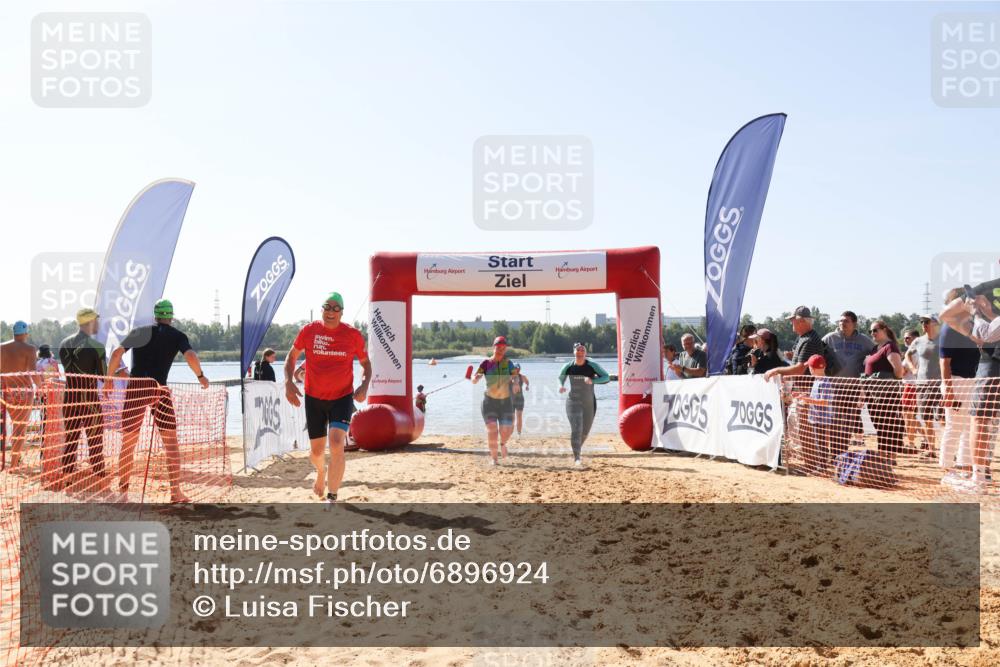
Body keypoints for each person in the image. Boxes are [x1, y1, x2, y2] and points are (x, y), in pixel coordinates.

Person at [108, 299, 210, 503]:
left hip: (137, 388)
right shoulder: (178, 335)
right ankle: (175, 493)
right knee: (171, 443)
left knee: (128, 443)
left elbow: (117, 353)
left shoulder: (139, 331)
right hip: (159, 389)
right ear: (170, 316)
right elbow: (190, 355)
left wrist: (109, 380)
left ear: (155, 315)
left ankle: (123, 494)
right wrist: (200, 376)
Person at [285, 292, 370, 503]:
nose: (331, 312)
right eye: (327, 307)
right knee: (315, 453)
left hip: (342, 397)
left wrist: (364, 385)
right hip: (314, 398)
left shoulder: (353, 335)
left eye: (336, 308)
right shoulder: (309, 330)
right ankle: (321, 473)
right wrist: (288, 381)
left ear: (341, 312)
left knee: (336, 442)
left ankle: (332, 496)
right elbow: (291, 356)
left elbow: (366, 364)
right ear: (321, 309)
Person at [57, 308, 109, 487]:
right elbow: (104, 376)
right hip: (89, 402)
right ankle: (100, 481)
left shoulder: (63, 343)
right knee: (95, 441)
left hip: (69, 398)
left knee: (70, 440)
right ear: (90, 322)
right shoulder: (97, 346)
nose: (99, 324)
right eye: (97, 320)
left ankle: (67, 480)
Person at [938, 288, 979, 485]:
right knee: (955, 427)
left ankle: (965, 467)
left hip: (972, 381)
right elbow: (944, 361)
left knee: (969, 427)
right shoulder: (949, 327)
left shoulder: (971, 325)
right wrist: (949, 390)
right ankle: (947, 469)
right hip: (956, 380)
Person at [822, 311, 875, 457]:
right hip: (834, 387)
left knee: (849, 422)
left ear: (854, 323)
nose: (842, 324)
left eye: (846, 321)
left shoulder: (864, 340)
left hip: (853, 388)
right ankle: (834, 453)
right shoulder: (829, 338)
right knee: (835, 421)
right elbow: (817, 354)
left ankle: (842, 453)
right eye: (840, 321)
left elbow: (877, 354)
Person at [558, 342, 611, 466]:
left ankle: (576, 449)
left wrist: (593, 380)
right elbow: (560, 378)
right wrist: (560, 386)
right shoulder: (568, 366)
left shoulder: (592, 365)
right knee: (577, 429)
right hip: (573, 402)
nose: (580, 352)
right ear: (574, 352)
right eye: (578, 350)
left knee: (585, 432)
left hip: (589, 403)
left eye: (583, 350)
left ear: (585, 353)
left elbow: (606, 377)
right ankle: (577, 458)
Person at [471, 336, 520, 465]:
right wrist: (474, 378)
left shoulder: (508, 363)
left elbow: (515, 376)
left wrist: (516, 383)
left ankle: (503, 444)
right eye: (498, 348)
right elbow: (477, 376)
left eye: (503, 348)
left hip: (505, 403)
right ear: (494, 347)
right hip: (489, 403)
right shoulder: (486, 364)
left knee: (506, 431)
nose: (501, 350)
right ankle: (494, 459)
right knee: (492, 430)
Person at [863, 320, 905, 460]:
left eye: (875, 330)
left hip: (886, 394)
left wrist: (881, 378)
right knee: (879, 425)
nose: (872, 333)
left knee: (888, 425)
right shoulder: (875, 348)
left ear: (884, 329)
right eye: (870, 331)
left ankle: (889, 458)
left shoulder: (889, 347)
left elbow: (899, 371)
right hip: (873, 394)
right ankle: (882, 456)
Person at [1, 321, 38, 470]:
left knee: (4, 425)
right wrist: (41, 386)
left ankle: (13, 460)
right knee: (19, 428)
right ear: (26, 334)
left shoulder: (1, 348)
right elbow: (33, 372)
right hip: (23, 392)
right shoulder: (29, 349)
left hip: (4, 390)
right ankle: (14, 464)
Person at [906, 315, 944, 457]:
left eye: (926, 322)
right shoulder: (918, 341)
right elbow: (907, 355)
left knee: (942, 419)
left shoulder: (943, 339)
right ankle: (931, 449)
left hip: (940, 384)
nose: (923, 324)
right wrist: (913, 368)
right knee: (926, 418)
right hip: (922, 384)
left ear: (935, 324)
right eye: (922, 322)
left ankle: (947, 449)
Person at [793, 355, 834, 473]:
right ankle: (820, 465)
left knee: (821, 443)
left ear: (813, 368)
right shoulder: (817, 380)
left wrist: (807, 400)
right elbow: (816, 397)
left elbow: (824, 402)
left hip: (822, 418)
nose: (809, 370)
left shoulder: (824, 382)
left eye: (810, 367)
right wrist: (804, 396)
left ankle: (822, 467)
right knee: (818, 442)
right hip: (816, 417)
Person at [763, 306, 825, 383]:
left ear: (801, 321)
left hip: (806, 390)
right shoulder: (806, 337)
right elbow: (803, 364)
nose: (791, 323)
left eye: (792, 320)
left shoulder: (809, 340)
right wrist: (794, 357)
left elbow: (799, 370)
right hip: (804, 388)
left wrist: (775, 370)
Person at [900, 328, 921, 451]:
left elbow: (902, 372)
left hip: (910, 386)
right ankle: (924, 439)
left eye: (908, 337)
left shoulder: (912, 353)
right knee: (911, 417)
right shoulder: (919, 351)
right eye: (904, 338)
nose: (905, 340)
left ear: (915, 338)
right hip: (915, 386)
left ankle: (912, 444)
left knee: (908, 417)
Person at [511, 369, 530, 438]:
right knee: (512, 418)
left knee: (519, 417)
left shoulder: (522, 377)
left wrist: (527, 386)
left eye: (518, 369)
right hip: (511, 400)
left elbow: (527, 382)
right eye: (515, 369)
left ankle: (519, 434)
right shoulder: (509, 377)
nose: (517, 371)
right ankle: (510, 434)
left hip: (520, 399)